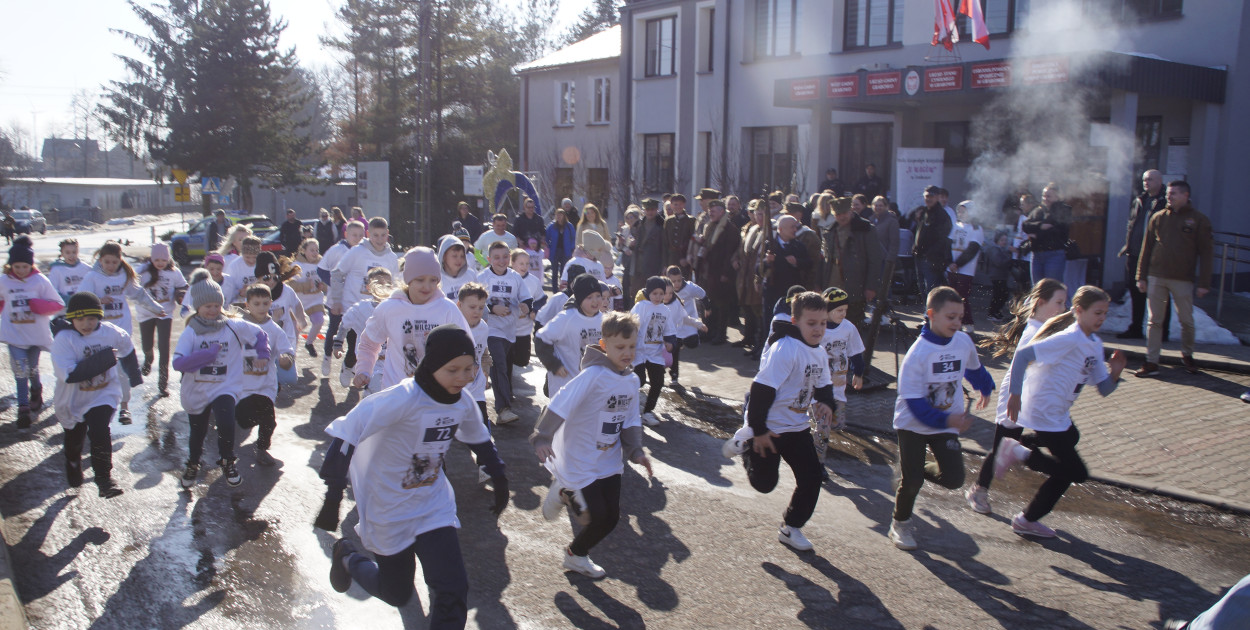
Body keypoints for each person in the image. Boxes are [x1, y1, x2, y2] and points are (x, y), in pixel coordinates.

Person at [319, 325, 509, 620]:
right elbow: (346, 434)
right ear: (432, 367)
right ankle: (347, 558)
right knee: (397, 593)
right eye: (453, 369)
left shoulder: (461, 402)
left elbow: (479, 437)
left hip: (433, 506)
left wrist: (499, 476)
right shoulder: (401, 399)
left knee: (452, 590)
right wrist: (333, 497)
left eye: (469, 369)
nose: (463, 377)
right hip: (388, 508)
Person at [996, 286, 1127, 537]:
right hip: (1044, 412)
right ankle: (1027, 516)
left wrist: (1116, 372)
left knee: (1072, 438)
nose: (1101, 318)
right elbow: (1023, 357)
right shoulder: (1069, 338)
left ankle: (1020, 446)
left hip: (1058, 414)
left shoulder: (1094, 343)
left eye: (1105, 314)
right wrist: (1014, 395)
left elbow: (1104, 389)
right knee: (1075, 472)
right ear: (1079, 311)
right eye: (1097, 312)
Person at [532, 311, 653, 578]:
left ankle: (576, 555)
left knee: (611, 518)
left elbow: (631, 418)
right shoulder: (593, 376)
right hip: (581, 456)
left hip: (609, 460)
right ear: (604, 345)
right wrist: (542, 437)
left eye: (632, 346)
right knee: (594, 515)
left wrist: (636, 451)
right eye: (620, 347)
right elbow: (561, 401)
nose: (627, 352)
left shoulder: (632, 381)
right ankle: (567, 490)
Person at [722, 292, 836, 551]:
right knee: (764, 485)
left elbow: (824, 384)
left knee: (812, 477)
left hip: (797, 427)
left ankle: (791, 527)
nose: (819, 329)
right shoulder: (785, 349)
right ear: (795, 321)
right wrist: (760, 431)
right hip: (769, 427)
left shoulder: (818, 351)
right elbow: (762, 391)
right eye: (812, 323)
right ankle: (747, 443)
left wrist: (826, 403)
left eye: (823, 323)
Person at [888, 286, 994, 550]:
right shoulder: (918, 354)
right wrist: (948, 421)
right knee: (911, 483)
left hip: (946, 422)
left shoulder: (962, 341)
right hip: (913, 423)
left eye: (960, 317)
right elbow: (914, 404)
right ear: (931, 315)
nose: (957, 323)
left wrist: (986, 387)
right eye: (951, 317)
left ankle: (912, 468)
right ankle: (899, 524)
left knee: (954, 479)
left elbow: (974, 368)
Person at [964, 278, 1067, 515]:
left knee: (1060, 436)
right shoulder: (1034, 332)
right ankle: (978, 489)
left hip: (1031, 398)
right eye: (1059, 302)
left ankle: (1018, 449)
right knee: (1002, 445)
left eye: (1065, 302)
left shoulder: (1043, 328)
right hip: (1016, 397)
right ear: (1041, 302)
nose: (1063, 308)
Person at [172, 270, 270, 488]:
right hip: (197, 389)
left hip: (224, 386)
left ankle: (227, 461)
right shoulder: (191, 331)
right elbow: (178, 363)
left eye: (217, 306)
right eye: (208, 307)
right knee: (198, 432)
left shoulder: (232, 326)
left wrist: (262, 354)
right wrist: (207, 355)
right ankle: (193, 464)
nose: (213, 311)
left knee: (226, 423)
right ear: (198, 307)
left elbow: (259, 335)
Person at [51, 292, 143, 497]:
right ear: (71, 319)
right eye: (80, 319)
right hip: (72, 399)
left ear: (99, 317)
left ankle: (104, 480)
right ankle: (73, 460)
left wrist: (134, 375)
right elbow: (70, 375)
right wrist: (104, 359)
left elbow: (127, 347)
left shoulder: (110, 332)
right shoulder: (64, 340)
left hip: (103, 394)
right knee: (74, 439)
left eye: (92, 318)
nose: (86, 324)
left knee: (100, 432)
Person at [354, 247, 470, 393]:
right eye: (420, 280)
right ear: (408, 279)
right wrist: (363, 370)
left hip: (435, 395)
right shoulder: (389, 308)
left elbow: (465, 347)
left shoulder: (448, 309)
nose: (427, 286)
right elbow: (369, 344)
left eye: (433, 280)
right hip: (396, 393)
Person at [78, 241, 163, 425]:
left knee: (122, 370)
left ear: (119, 261)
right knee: (99, 371)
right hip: (98, 332)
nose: (110, 266)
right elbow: (81, 301)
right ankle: (94, 408)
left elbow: (138, 294)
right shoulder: (92, 277)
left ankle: (124, 408)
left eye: (114, 262)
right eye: (106, 262)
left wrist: (155, 308)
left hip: (121, 331)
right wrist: (99, 301)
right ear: (100, 260)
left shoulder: (124, 275)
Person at [1134, 180, 1214, 377]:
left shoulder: (1199, 220)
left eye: (1175, 193)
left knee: (1186, 320)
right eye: (1169, 193)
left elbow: (1206, 253)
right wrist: (1141, 276)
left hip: (1182, 279)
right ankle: (1152, 361)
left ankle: (1187, 355)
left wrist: (1204, 283)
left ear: (1186, 195)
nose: (1170, 197)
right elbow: (1146, 248)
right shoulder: (1158, 217)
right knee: (1154, 321)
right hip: (1156, 276)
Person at [1, 236, 65, 428]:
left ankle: (36, 389)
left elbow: (58, 304)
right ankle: (23, 410)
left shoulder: (39, 281)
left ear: (31, 265)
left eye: (25, 267)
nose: (21, 271)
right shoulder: (4, 281)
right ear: (11, 265)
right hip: (15, 335)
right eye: (17, 267)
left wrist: (38, 305)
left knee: (32, 369)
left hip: (35, 335)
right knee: (20, 371)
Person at [236, 284, 295, 466]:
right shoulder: (239, 326)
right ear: (248, 305)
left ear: (271, 303)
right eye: (256, 304)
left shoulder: (275, 330)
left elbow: (287, 352)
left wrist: (286, 359)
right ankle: (252, 425)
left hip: (266, 385)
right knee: (245, 421)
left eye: (265, 303)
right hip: (241, 385)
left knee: (269, 420)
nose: (261, 308)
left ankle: (262, 448)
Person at [477, 241, 533, 424]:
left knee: (502, 366)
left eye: (505, 257)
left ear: (510, 257)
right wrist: (492, 308)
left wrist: (526, 305)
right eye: (497, 257)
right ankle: (503, 409)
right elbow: (475, 300)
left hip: (510, 330)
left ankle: (500, 399)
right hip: (490, 329)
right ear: (489, 259)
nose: (501, 261)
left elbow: (526, 296)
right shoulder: (483, 277)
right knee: (499, 363)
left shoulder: (515, 277)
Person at [811, 288, 864, 469]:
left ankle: (814, 438)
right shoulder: (819, 328)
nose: (843, 314)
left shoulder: (848, 328)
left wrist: (858, 373)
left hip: (839, 389)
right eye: (839, 310)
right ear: (827, 310)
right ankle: (818, 463)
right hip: (820, 389)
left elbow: (856, 352)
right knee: (824, 427)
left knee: (837, 423)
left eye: (845, 310)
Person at [1118, 170, 1169, 339]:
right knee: (1135, 291)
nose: (1146, 182)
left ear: (1160, 181)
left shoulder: (1164, 201)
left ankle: (1162, 331)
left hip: (1154, 255)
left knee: (1159, 293)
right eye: (1144, 179)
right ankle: (1136, 328)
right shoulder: (1140, 200)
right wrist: (1128, 244)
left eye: (1150, 179)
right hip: (1135, 254)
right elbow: (1132, 224)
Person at [821, 197, 883, 334]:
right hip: (833, 280)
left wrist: (871, 286)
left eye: (844, 213)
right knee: (831, 321)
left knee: (853, 322)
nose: (841, 217)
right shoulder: (830, 231)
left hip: (856, 282)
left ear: (850, 211)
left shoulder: (865, 229)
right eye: (837, 214)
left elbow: (875, 260)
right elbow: (825, 261)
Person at [535, 274, 604, 397]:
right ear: (579, 299)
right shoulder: (567, 318)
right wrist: (554, 365)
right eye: (589, 297)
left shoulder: (603, 320)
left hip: (590, 384)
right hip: (565, 383)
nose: (595, 301)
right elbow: (541, 338)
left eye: (598, 296)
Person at [136, 242, 188, 397]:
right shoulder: (143, 270)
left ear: (168, 259)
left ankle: (162, 384)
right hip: (146, 313)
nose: (160, 263)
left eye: (163, 260)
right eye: (156, 260)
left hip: (165, 314)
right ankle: (148, 358)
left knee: (164, 348)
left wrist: (180, 295)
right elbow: (132, 283)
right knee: (147, 344)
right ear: (151, 259)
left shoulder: (174, 272)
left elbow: (183, 286)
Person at [318, 219, 366, 376]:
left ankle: (349, 363)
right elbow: (322, 270)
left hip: (355, 300)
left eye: (361, 235)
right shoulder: (336, 250)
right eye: (354, 235)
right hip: (336, 299)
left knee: (353, 332)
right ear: (346, 234)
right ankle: (326, 357)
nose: (357, 238)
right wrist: (334, 285)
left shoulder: (364, 251)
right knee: (334, 328)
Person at [333, 267, 394, 390]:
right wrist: (338, 344)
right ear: (368, 287)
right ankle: (347, 367)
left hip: (390, 361)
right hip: (368, 360)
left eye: (388, 284)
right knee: (376, 388)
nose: (384, 287)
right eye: (379, 284)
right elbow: (344, 324)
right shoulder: (360, 309)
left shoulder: (398, 308)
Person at [630, 277, 678, 426]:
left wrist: (671, 343)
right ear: (648, 292)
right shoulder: (641, 306)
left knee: (658, 382)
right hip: (638, 351)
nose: (658, 297)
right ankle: (628, 408)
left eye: (661, 293)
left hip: (654, 352)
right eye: (655, 293)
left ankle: (648, 412)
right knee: (639, 379)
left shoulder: (665, 310)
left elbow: (670, 330)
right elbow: (631, 324)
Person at [692, 198, 741, 344]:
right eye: (709, 211)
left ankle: (720, 334)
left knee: (721, 304)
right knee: (708, 302)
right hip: (708, 271)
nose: (710, 213)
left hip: (720, 273)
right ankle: (709, 331)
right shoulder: (710, 226)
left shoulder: (729, 229)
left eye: (713, 211)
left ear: (721, 212)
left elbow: (729, 253)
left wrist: (726, 273)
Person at [758, 214, 809, 355]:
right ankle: (767, 351)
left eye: (796, 226)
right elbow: (758, 268)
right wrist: (767, 262)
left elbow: (809, 264)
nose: (795, 229)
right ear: (781, 229)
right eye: (792, 227)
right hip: (772, 290)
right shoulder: (769, 245)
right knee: (770, 321)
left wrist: (797, 262)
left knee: (793, 322)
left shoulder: (799, 246)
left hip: (792, 291)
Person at [331, 217, 400, 319]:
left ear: (387, 233)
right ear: (368, 234)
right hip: (353, 310)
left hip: (377, 313)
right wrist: (336, 300)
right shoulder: (357, 252)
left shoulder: (392, 258)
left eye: (383, 235)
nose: (380, 239)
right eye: (375, 235)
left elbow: (394, 284)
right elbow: (337, 274)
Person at [455, 282, 493, 430]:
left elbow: (483, 353)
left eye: (481, 307)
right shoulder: (452, 327)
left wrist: (485, 371)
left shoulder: (483, 327)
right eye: (472, 307)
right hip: (454, 388)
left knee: (483, 429)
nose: (477, 311)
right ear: (459, 305)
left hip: (475, 387)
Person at [663, 267, 707, 385]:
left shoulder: (684, 294)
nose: (676, 284)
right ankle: (669, 374)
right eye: (673, 282)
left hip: (681, 327)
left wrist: (699, 323)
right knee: (670, 355)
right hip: (666, 333)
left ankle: (674, 376)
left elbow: (685, 317)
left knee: (686, 346)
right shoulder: (658, 297)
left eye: (678, 281)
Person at [734, 202, 766, 353]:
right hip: (746, 275)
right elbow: (741, 250)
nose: (760, 217)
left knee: (758, 310)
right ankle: (748, 337)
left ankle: (758, 343)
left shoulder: (770, 232)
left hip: (758, 276)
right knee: (747, 307)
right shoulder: (751, 229)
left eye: (763, 214)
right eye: (758, 214)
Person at [1022, 183, 1071, 284]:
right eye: (1043, 195)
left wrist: (1036, 235)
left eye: (1048, 196)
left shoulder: (1063, 210)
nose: (1045, 198)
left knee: (1051, 288)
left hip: (1054, 254)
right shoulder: (1038, 210)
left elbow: (1056, 231)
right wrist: (1040, 226)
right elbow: (1025, 225)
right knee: (1037, 289)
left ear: (1057, 197)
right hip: (1036, 254)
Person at [947, 200, 984, 334]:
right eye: (959, 211)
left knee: (961, 296)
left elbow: (972, 249)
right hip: (951, 267)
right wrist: (950, 262)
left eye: (963, 211)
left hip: (965, 269)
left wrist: (958, 263)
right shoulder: (955, 226)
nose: (960, 213)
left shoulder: (976, 228)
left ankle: (968, 323)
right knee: (951, 295)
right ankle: (954, 322)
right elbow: (948, 243)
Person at [509, 248, 544, 383]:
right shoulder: (507, 278)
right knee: (506, 359)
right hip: (506, 328)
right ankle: (506, 377)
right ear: (512, 263)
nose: (524, 266)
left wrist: (534, 310)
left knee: (522, 360)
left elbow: (541, 299)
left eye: (527, 263)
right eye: (521, 263)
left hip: (524, 329)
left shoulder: (533, 281)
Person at [912, 185, 953, 296]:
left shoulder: (942, 215)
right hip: (919, 257)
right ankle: (927, 312)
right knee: (922, 288)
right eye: (926, 196)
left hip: (931, 259)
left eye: (931, 196)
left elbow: (943, 238)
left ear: (938, 197)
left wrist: (930, 254)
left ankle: (931, 312)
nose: (928, 199)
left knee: (931, 290)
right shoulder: (925, 212)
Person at [292, 238, 327, 357]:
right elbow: (289, 284)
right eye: (311, 250)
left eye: (317, 250)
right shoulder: (297, 265)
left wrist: (324, 286)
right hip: (299, 301)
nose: (315, 253)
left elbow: (328, 281)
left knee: (319, 321)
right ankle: (292, 354)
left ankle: (309, 343)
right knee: (296, 328)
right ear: (303, 250)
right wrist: (306, 285)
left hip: (315, 300)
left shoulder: (322, 263)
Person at [47, 239, 91, 305]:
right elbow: (52, 291)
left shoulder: (86, 268)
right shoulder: (56, 270)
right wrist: (68, 300)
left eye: (74, 252)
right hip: (65, 310)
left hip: (84, 307)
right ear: (62, 253)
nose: (71, 255)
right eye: (67, 252)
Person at [223, 236, 262, 307]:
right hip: (240, 303)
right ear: (242, 254)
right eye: (247, 257)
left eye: (255, 257)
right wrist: (239, 292)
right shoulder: (234, 266)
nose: (251, 260)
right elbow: (227, 287)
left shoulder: (263, 263)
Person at [662, 194, 696, 277]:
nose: (677, 207)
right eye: (675, 204)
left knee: (684, 281)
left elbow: (692, 241)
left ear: (684, 205)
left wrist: (686, 257)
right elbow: (665, 243)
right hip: (671, 258)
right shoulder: (669, 221)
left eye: (680, 204)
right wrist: (665, 264)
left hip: (684, 259)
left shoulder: (691, 220)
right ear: (671, 205)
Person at [984, 231, 1014, 322]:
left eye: (1005, 240)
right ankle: (992, 312)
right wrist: (1010, 257)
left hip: (1001, 275)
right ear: (997, 240)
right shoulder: (995, 249)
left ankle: (996, 311)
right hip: (996, 275)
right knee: (999, 294)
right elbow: (999, 262)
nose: (1004, 242)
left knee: (1002, 294)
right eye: (1002, 240)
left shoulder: (1001, 249)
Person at [546, 208, 577, 292]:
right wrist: (549, 246)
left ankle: (564, 290)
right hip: (555, 252)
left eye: (561, 215)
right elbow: (546, 237)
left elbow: (573, 238)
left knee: (564, 272)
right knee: (554, 272)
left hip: (565, 252)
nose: (559, 217)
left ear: (564, 216)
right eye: (557, 215)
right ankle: (555, 291)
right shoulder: (552, 226)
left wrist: (571, 249)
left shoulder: (569, 226)